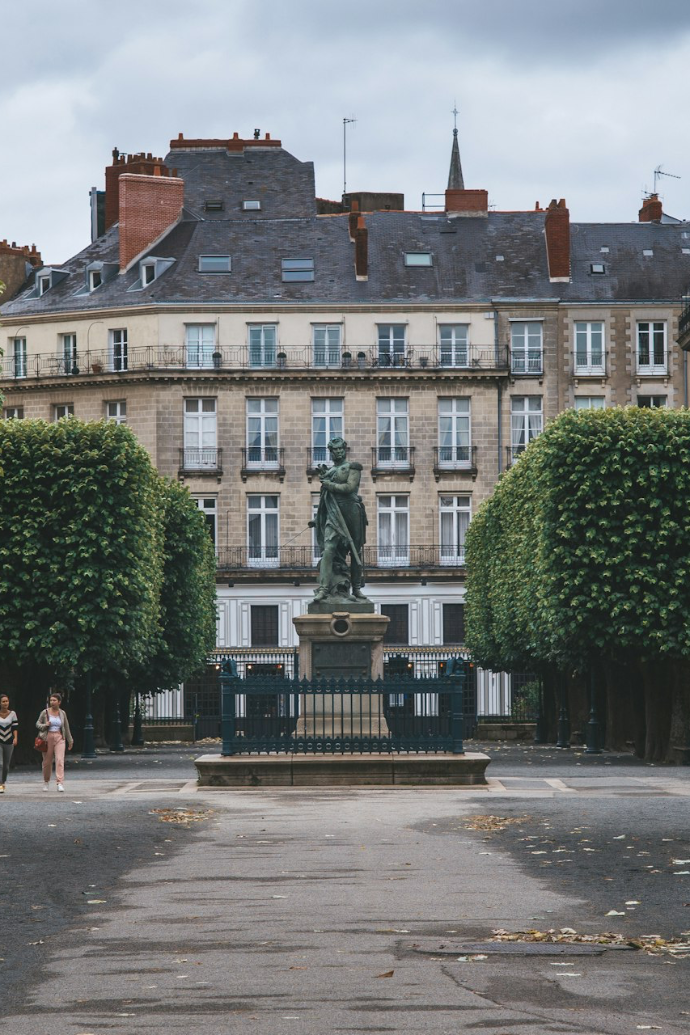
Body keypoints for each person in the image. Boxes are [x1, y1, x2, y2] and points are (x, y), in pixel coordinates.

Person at [312, 437, 369, 603]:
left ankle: (356, 588)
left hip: (351, 511)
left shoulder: (353, 467)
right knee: (329, 549)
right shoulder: (329, 472)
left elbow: (350, 488)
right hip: (333, 514)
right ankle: (323, 589)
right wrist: (317, 521)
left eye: (340, 449)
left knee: (355, 550)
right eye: (334, 450)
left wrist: (329, 485)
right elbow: (324, 501)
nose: (338, 452)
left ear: (344, 450)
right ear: (331, 452)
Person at [36, 691, 73, 792]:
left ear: (59, 702)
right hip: (47, 738)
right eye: (51, 700)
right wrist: (45, 725)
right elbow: (37, 724)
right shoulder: (45, 712)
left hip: (59, 737)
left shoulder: (62, 713)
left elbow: (66, 727)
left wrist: (70, 740)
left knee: (60, 760)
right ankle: (46, 781)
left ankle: (59, 782)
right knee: (47, 762)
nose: (52, 702)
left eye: (54, 700)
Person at [0, 694, 18, 794]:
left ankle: (3, 782)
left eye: (7, 701)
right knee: (0, 764)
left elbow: (15, 727)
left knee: (6, 765)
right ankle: (0, 784)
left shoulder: (12, 714)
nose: (5, 703)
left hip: (9, 740)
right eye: (3, 701)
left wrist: (15, 738)